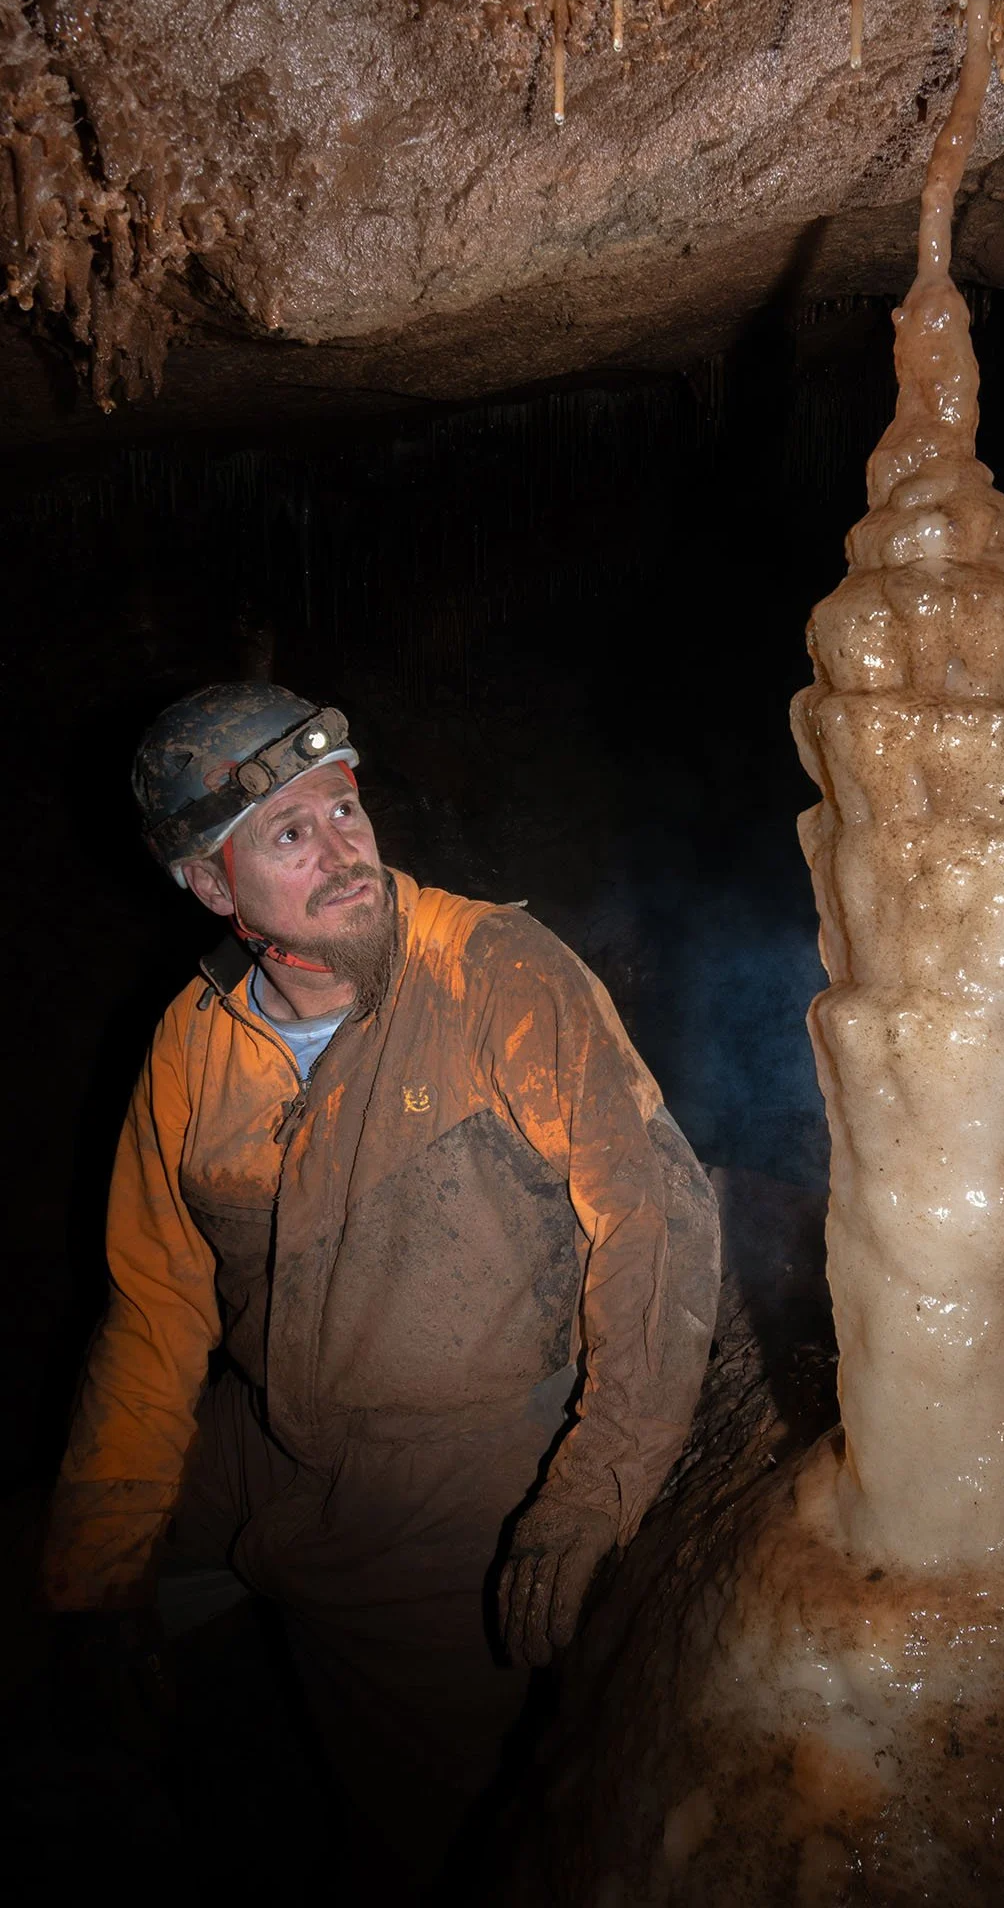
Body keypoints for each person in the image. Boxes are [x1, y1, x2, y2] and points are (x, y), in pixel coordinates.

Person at [43, 681, 720, 1873]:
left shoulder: (495, 973)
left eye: (342, 810)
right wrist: (96, 1580)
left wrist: (595, 1488)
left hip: (459, 1478)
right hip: (266, 1440)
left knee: (439, 1836)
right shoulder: (196, 1043)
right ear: (210, 885)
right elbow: (154, 1312)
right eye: (288, 835)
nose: (343, 851)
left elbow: (656, 1225)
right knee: (46, 1597)